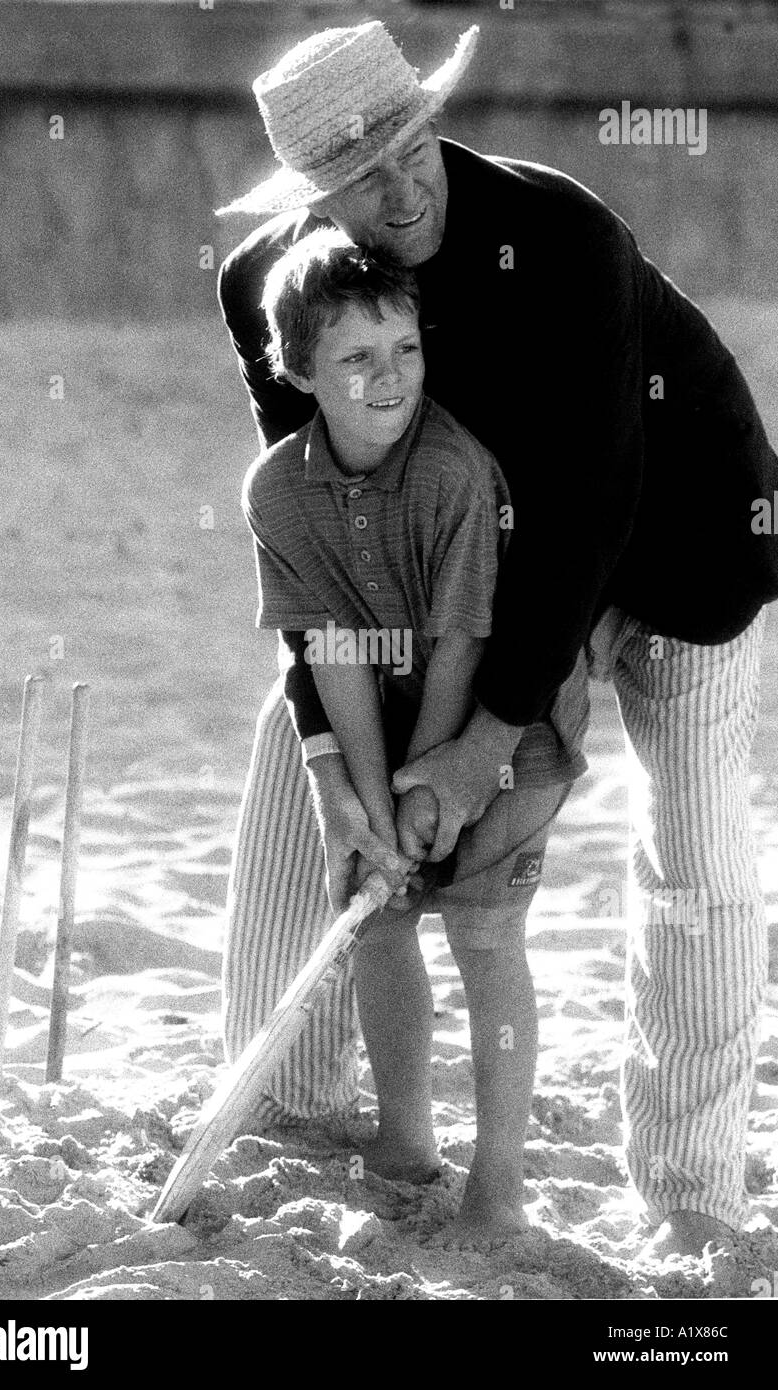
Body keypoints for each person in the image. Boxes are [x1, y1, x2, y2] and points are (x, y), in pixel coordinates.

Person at [217, 21, 778, 1256]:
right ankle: (295, 1099)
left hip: (676, 535)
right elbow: (310, 534)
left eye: (412, 147)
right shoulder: (269, 286)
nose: (404, 186)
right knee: (295, 744)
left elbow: (591, 509)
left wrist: (482, 742)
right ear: (314, 197)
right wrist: (335, 761)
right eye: (363, 177)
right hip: (472, 555)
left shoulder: (563, 232)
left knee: (694, 848)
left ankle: (690, 1187)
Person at [241, 227, 588, 1243]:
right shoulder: (275, 490)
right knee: (377, 913)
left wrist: (428, 788)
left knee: (484, 934)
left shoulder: (451, 473)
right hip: (382, 727)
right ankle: (404, 1139)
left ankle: (500, 1182)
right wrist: (362, 801)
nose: (389, 378)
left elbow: (455, 649)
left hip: (494, 725)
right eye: (355, 357)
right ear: (300, 370)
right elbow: (331, 648)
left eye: (404, 349)